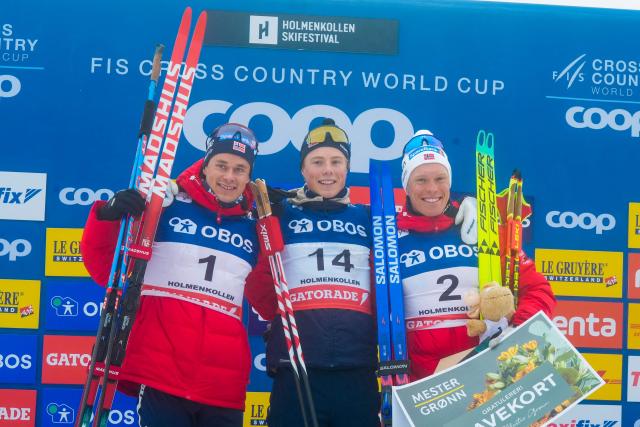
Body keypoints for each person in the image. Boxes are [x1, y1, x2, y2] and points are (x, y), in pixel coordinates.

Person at [80, 123, 272, 427]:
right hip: (161, 373)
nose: (229, 177)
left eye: (240, 169)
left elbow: (270, 302)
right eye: (221, 166)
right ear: (206, 166)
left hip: (223, 384)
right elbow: (105, 269)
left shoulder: (253, 226)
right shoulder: (166, 206)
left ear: (249, 177)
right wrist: (108, 217)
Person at [249, 118, 380, 427]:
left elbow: (421, 215)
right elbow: (260, 290)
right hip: (296, 369)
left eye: (337, 161)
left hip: (356, 369)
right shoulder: (283, 215)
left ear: (347, 168)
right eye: (317, 162)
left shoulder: (369, 219)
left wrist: (461, 205)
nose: (327, 170)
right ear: (303, 170)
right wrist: (268, 226)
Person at [396, 130, 556, 380]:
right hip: (425, 384)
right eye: (421, 180)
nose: (432, 189)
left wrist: (517, 327)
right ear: (406, 185)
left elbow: (538, 290)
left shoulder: (484, 228)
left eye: (440, 178)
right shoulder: (390, 239)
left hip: (487, 371)